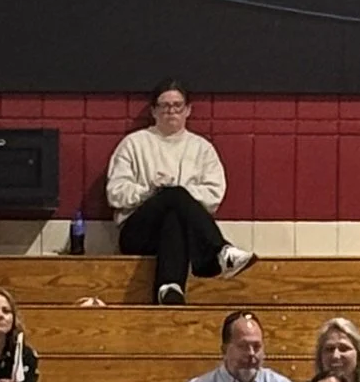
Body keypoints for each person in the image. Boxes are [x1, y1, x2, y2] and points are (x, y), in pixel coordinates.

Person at [104, 84, 254, 301]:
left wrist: (177, 194)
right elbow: (115, 193)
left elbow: (213, 196)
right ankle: (220, 251)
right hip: (138, 231)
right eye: (164, 106)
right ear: (153, 111)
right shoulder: (133, 144)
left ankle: (169, 289)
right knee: (172, 195)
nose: (171, 111)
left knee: (174, 213)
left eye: (177, 105)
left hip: (183, 234)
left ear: (188, 110)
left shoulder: (202, 148)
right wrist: (149, 192)